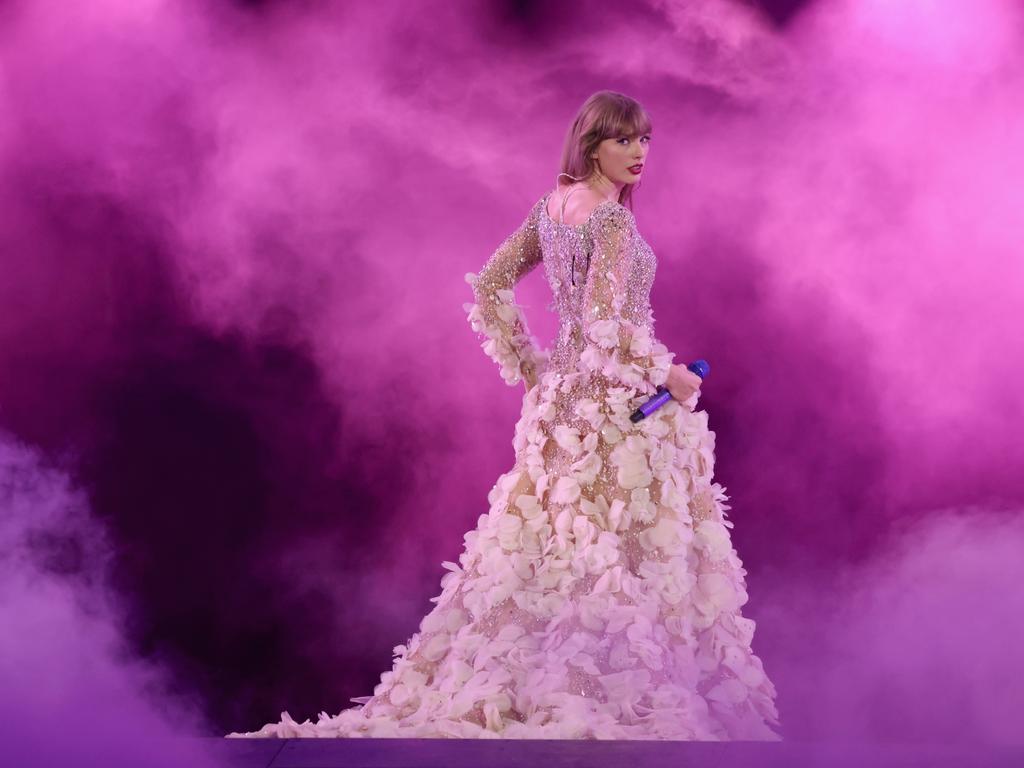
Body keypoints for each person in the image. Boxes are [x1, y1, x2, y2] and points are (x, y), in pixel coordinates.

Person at [227, 90, 782, 740]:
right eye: (623, 139)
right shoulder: (610, 222)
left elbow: (489, 287)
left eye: (644, 140)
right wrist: (673, 376)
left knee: (553, 551)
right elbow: (606, 327)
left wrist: (536, 370)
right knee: (612, 556)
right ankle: (601, 699)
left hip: (560, 408)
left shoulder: (550, 210)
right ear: (592, 143)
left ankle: (537, 690)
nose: (639, 153)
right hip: (618, 413)